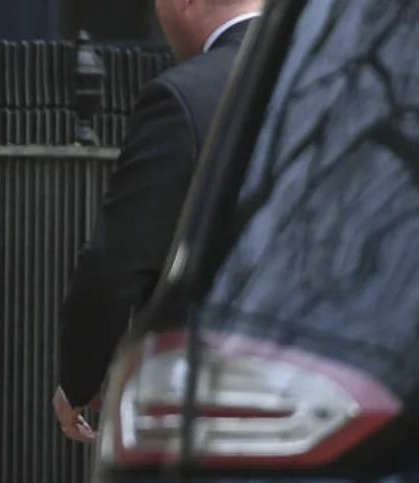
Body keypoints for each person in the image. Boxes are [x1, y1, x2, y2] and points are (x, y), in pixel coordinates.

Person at [53, 0, 262, 440]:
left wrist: (78, 379)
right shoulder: (347, 87)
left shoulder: (183, 97)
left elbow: (115, 265)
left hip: (212, 398)